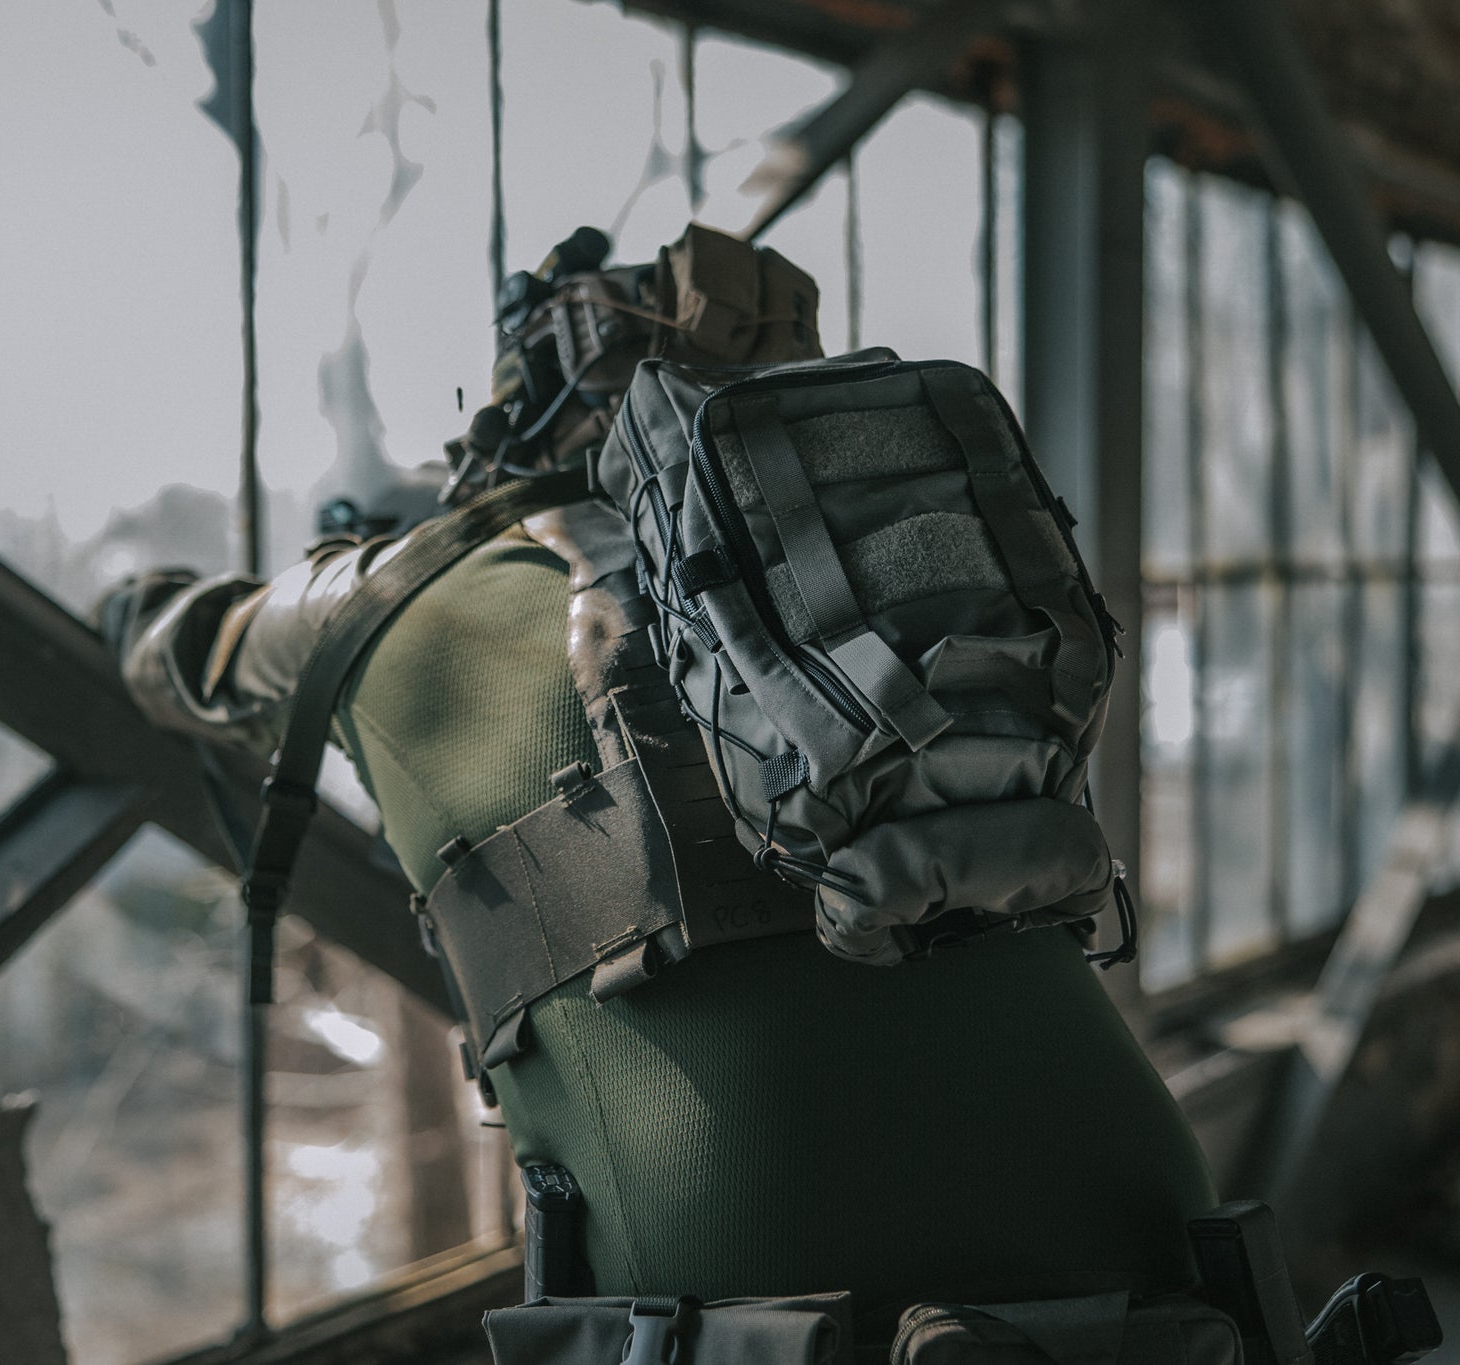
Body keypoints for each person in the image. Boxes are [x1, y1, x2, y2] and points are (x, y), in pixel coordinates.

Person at [108, 226, 1218, 1338]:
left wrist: (197, 589)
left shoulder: (396, 593)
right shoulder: (901, 590)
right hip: (1147, 1214)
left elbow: (171, 653)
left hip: (761, 1284)